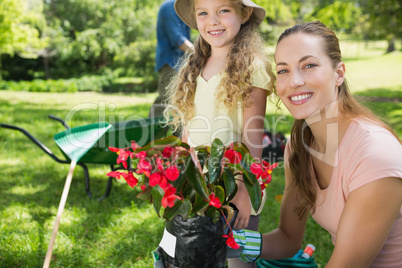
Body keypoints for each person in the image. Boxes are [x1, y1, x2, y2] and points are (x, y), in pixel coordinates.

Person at [230, 21, 402, 267]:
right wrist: (229, 242)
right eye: (283, 70)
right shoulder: (300, 146)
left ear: (339, 73)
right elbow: (288, 239)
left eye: (309, 65)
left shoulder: (374, 153)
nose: (294, 81)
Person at [163, 0, 275, 267]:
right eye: (203, 13)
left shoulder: (252, 66)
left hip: (235, 185)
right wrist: (179, 174)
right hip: (198, 186)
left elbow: (253, 135)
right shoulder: (195, 64)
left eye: (223, 10)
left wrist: (246, 191)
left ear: (244, 13)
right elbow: (190, 130)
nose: (212, 20)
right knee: (192, 255)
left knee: (237, 258)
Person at [148, 0, 194, 118]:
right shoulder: (170, 7)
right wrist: (199, 53)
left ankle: (179, 134)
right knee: (165, 99)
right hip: (170, 62)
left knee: (182, 101)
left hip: (181, 61)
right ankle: (149, 132)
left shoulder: (184, 8)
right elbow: (177, 39)